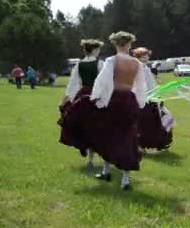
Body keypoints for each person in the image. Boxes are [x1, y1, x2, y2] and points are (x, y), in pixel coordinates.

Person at [60, 31, 147, 191]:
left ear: (116, 44)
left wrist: (97, 98)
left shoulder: (112, 60)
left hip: (114, 100)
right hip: (129, 101)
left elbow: (103, 81)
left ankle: (107, 170)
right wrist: (140, 103)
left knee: (107, 135)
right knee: (128, 137)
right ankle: (125, 180)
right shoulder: (137, 64)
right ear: (128, 45)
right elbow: (141, 86)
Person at [58, 39, 104, 167]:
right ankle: (90, 158)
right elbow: (104, 82)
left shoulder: (78, 65)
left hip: (82, 95)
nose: (99, 51)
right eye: (98, 49)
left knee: (84, 126)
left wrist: (67, 99)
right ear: (94, 50)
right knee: (96, 127)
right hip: (95, 96)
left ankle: (87, 152)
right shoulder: (100, 64)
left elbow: (73, 84)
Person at [133, 47, 174, 151]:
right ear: (138, 57)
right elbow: (139, 86)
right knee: (146, 124)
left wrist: (157, 94)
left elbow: (151, 84)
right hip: (145, 101)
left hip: (153, 99)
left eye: (147, 55)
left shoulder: (146, 68)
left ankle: (158, 143)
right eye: (143, 56)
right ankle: (143, 145)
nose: (146, 57)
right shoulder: (139, 69)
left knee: (159, 120)